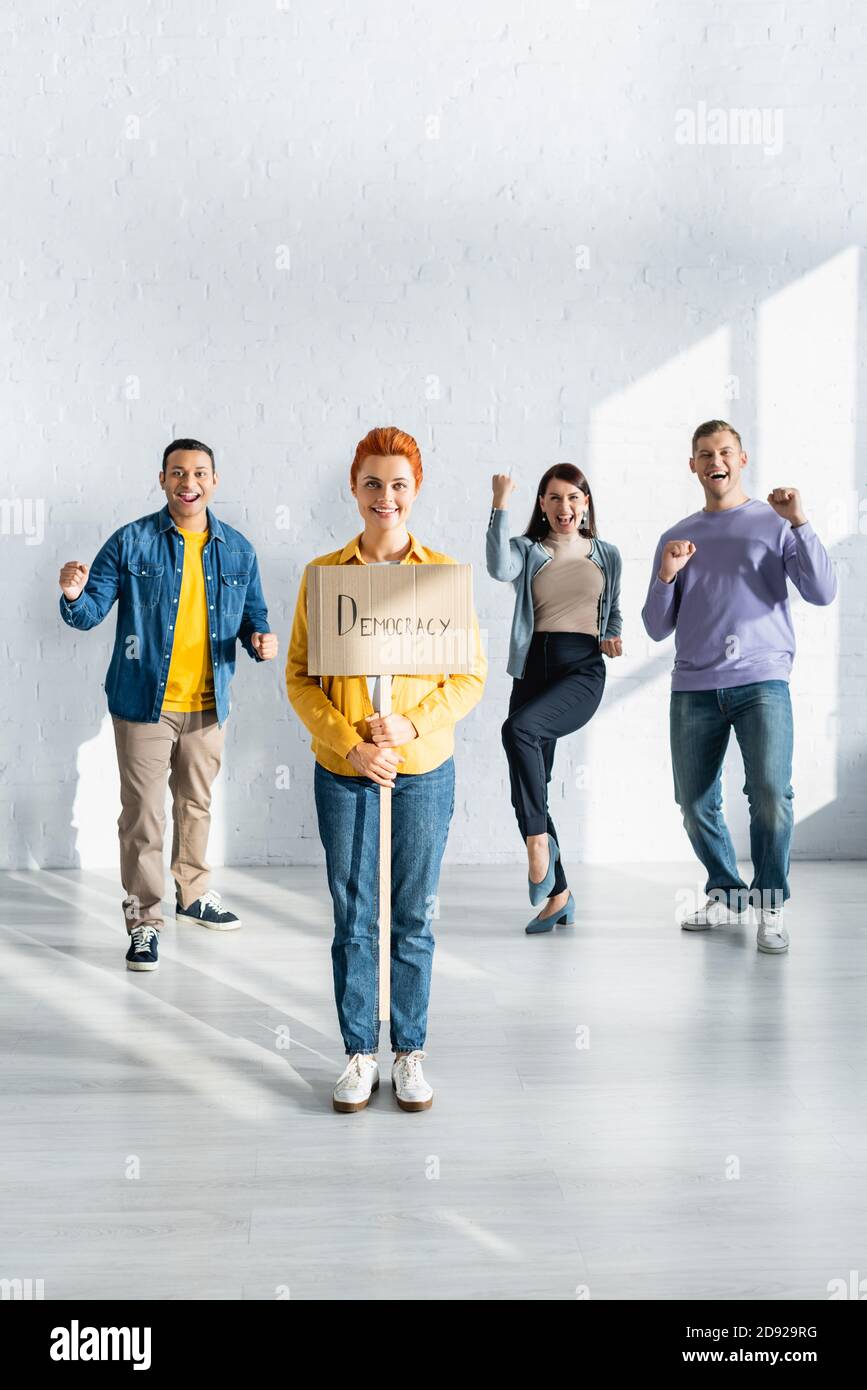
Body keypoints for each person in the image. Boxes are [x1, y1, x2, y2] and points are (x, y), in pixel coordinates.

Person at [286, 426, 486, 1114]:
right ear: (354, 488)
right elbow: (299, 679)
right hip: (344, 770)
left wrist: (411, 723)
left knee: (413, 913)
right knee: (353, 914)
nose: (385, 496)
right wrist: (351, 744)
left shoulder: (440, 577)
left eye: (398, 484)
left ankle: (408, 1053)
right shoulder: (323, 576)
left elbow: (470, 676)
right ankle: (357, 1054)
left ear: (415, 490)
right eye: (372, 482)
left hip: (423, 768)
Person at [58, 438, 277, 971]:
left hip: (208, 703)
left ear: (214, 481)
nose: (189, 482)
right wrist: (72, 594)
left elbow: (255, 617)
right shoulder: (132, 542)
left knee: (196, 805)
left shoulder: (238, 550)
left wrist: (261, 640)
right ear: (162, 480)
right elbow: (89, 613)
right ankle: (144, 923)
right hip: (142, 705)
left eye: (199, 472)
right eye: (178, 473)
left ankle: (193, 894)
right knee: (142, 816)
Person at [641, 419, 837, 954]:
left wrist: (800, 522)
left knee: (771, 793)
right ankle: (726, 894)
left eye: (724, 451)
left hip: (762, 680)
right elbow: (657, 627)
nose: (714, 461)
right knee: (693, 799)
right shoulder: (678, 536)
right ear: (693, 466)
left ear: (742, 459)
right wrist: (665, 575)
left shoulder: (774, 523)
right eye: (704, 453)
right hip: (695, 686)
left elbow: (822, 591)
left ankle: (770, 903)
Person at [486, 465, 623, 933]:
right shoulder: (528, 551)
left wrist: (613, 635)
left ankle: (538, 845)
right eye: (554, 498)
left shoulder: (607, 554)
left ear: (585, 502)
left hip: (580, 668)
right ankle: (559, 895)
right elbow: (496, 567)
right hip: (532, 669)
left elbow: (614, 609)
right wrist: (499, 504)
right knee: (530, 783)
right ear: (541, 505)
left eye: (573, 498)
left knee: (518, 731)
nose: (564, 508)